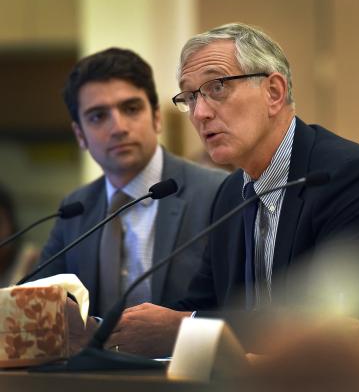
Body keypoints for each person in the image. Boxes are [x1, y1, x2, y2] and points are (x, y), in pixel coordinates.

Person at [108, 23, 359, 357]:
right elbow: (203, 304)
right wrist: (107, 331)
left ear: (274, 92)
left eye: (217, 87)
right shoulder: (230, 194)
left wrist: (185, 326)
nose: (201, 113)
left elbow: (330, 323)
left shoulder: (348, 177)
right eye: (190, 97)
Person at [34, 48, 227, 317]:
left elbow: (242, 309)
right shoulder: (75, 208)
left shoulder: (218, 192)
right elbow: (37, 302)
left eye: (131, 108)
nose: (119, 128)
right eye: (98, 116)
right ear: (80, 135)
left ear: (156, 117)